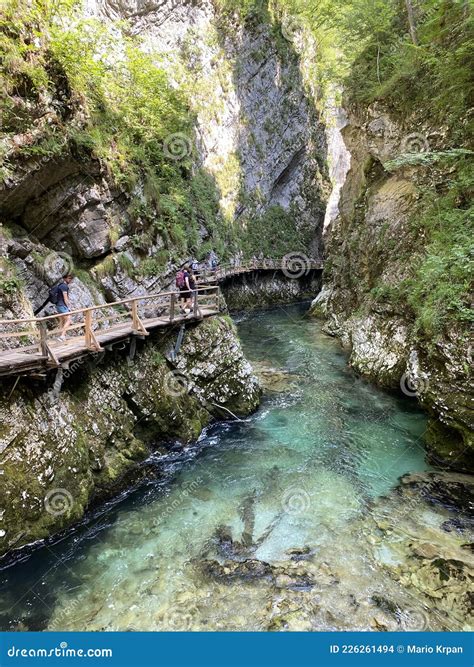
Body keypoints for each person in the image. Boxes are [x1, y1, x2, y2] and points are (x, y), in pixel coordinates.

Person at [54, 274, 74, 341]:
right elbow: (65, 299)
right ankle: (62, 336)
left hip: (58, 305)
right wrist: (69, 308)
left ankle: (60, 335)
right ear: (65, 278)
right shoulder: (64, 286)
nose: (70, 279)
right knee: (68, 319)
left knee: (62, 321)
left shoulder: (60, 285)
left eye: (71, 278)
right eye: (69, 278)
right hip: (62, 306)